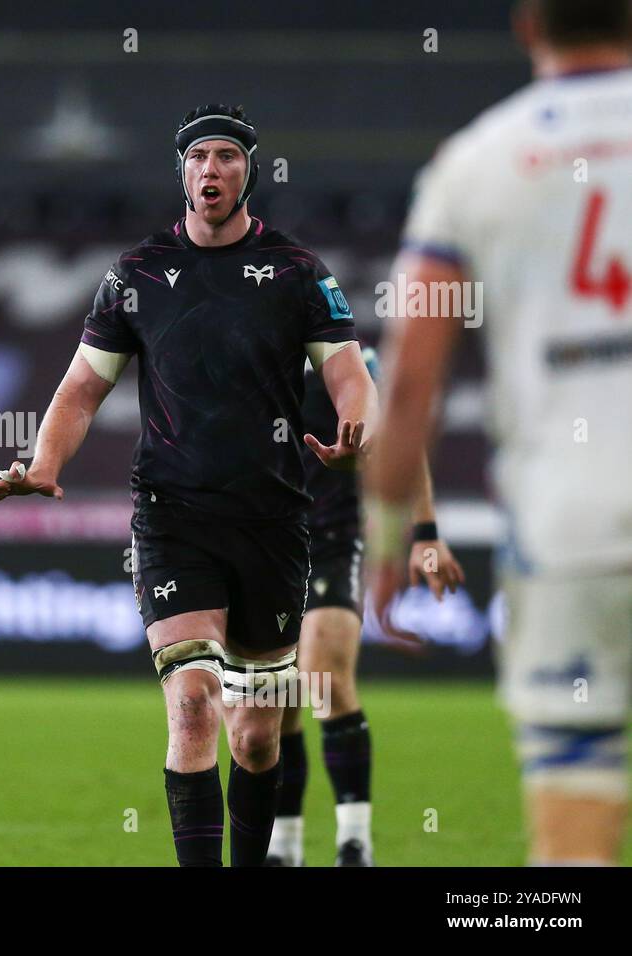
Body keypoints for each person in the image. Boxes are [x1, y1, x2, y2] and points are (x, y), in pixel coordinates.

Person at [0, 104, 378, 866]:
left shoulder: (299, 273)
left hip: (272, 521)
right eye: (198, 158)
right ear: (182, 172)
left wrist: (357, 428)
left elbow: (350, 374)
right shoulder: (133, 277)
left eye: (226, 156)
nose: (211, 169)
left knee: (257, 735)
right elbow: (80, 390)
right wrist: (45, 464)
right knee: (193, 706)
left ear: (248, 170)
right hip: (172, 518)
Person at [367, 0, 632, 865]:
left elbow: (410, 381)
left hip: (570, 526)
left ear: (527, 26)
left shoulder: (474, 161)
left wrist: (383, 537)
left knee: (573, 833)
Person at [267, 346, 464, 866]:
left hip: (334, 536)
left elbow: (399, 436)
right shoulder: (239, 354)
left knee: (324, 680)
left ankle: (354, 841)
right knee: (274, 698)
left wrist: (423, 534)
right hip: (262, 543)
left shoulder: (351, 361)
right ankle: (282, 848)